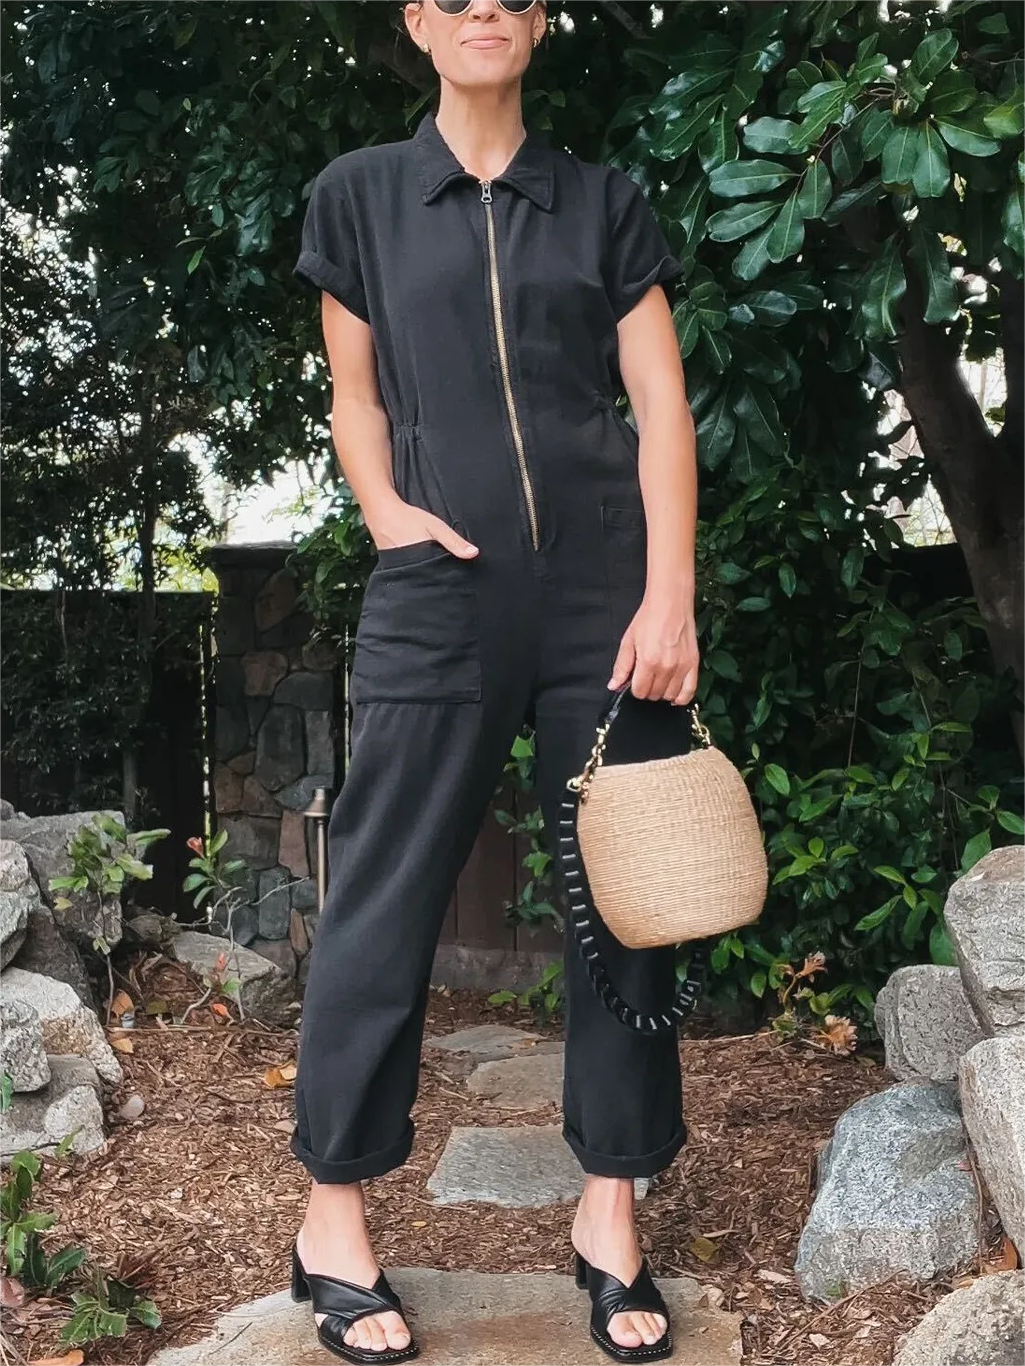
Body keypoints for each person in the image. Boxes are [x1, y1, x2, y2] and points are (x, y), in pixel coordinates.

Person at [288, 0, 699, 1361]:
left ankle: (610, 1212)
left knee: (624, 900)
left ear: (537, 22)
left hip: (604, 597)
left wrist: (669, 594)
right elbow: (354, 393)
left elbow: (660, 403)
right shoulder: (360, 196)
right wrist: (386, 516)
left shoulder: (602, 203)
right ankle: (333, 1219)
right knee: (385, 890)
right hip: (438, 587)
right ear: (418, 21)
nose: (485, 8)